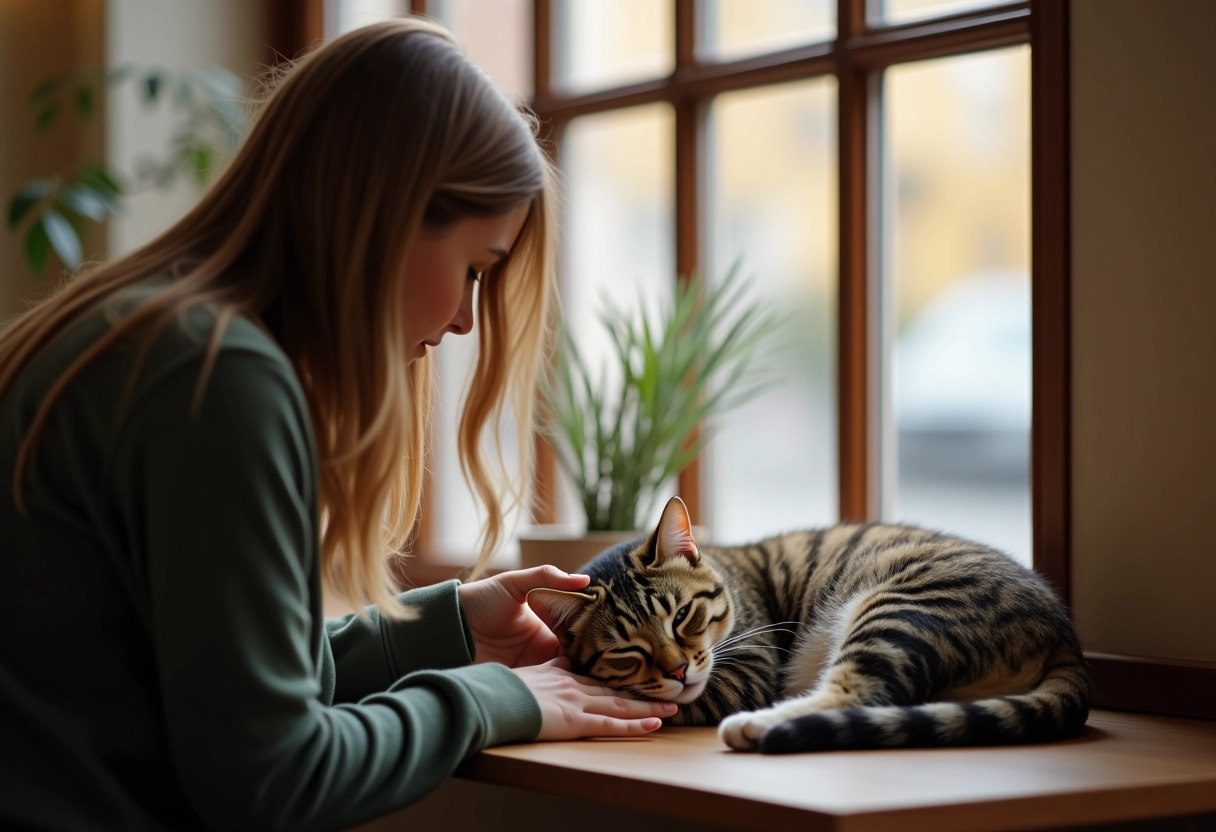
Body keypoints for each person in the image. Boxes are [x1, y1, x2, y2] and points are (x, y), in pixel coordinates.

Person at [0, 18, 674, 832]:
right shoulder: (217, 379)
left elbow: (229, 688)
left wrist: (450, 625)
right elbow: (272, 776)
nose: (465, 319)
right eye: (474, 269)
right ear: (387, 217)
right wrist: (498, 698)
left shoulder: (144, 333)